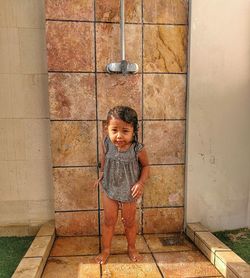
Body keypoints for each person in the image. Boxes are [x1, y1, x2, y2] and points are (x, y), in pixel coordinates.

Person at [94, 106, 150, 264]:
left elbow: (146, 166)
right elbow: (104, 157)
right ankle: (106, 250)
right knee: (109, 220)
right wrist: (102, 173)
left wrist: (140, 183)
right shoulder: (107, 142)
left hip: (129, 191)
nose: (119, 136)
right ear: (107, 129)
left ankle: (131, 248)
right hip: (109, 188)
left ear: (134, 131)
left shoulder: (137, 149)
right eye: (114, 130)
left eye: (125, 131)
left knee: (129, 221)